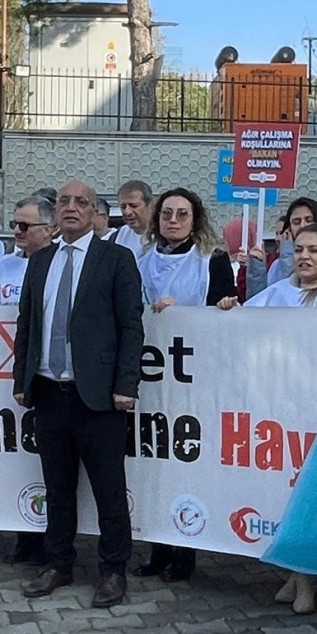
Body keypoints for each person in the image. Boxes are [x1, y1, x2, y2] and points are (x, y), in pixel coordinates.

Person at [219, 222, 317, 613]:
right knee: (283, 494)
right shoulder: (279, 292)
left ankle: (306, 579)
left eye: (314, 250)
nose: (304, 256)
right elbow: (242, 327)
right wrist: (228, 309)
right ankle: (297, 574)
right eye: (300, 249)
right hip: (280, 412)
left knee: (310, 494)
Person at [13, 178, 144, 610]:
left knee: (109, 490)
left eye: (81, 202)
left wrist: (125, 385)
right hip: (49, 392)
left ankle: (113, 570)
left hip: (99, 397)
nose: (71, 207)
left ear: (94, 213)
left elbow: (131, 326)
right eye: (64, 201)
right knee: (57, 488)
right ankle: (58, 563)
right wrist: (21, 380)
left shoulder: (116, 259)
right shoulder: (41, 261)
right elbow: (27, 323)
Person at [130, 187, 237, 583]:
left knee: (186, 464)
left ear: (195, 221)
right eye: (166, 213)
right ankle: (157, 548)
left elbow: (227, 313)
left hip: (193, 377)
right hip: (151, 377)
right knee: (152, 464)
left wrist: (189, 313)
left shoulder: (213, 261)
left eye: (182, 214)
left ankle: (185, 551)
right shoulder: (140, 260)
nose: (172, 220)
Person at [0, 195, 57, 569]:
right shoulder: (3, 264)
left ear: (49, 228)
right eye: (14, 225)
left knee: (47, 463)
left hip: (46, 374)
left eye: (24, 226)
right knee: (16, 458)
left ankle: (50, 540)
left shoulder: (60, 262)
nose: (17, 232)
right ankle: (24, 535)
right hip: (8, 373)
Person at [108, 180, 152, 256]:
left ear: (149, 205)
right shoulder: (116, 238)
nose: (127, 212)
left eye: (134, 206)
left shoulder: (165, 236)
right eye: (123, 207)